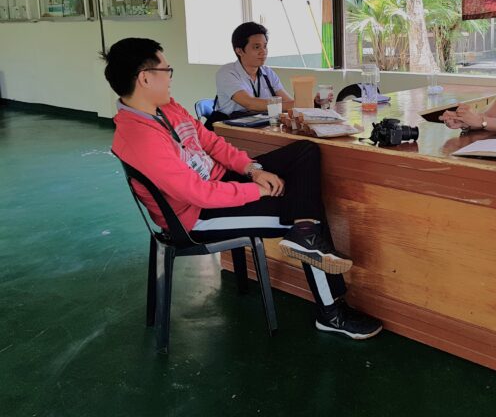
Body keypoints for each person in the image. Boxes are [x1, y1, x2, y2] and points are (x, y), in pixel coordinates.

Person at [103, 37, 382, 340]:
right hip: (197, 217)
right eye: (167, 69)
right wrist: (257, 190)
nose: (171, 76)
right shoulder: (138, 137)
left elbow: (211, 142)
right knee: (301, 209)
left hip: (221, 184)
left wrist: (253, 169)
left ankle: (306, 234)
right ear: (145, 78)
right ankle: (331, 312)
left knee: (305, 153)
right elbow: (198, 194)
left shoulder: (167, 107)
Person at [212, 22, 331, 127]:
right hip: (232, 130)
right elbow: (249, 103)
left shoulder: (267, 73)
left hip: (263, 127)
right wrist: (301, 104)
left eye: (265, 46)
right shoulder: (227, 73)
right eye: (256, 47)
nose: (263, 51)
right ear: (239, 51)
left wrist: (313, 103)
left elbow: (288, 102)